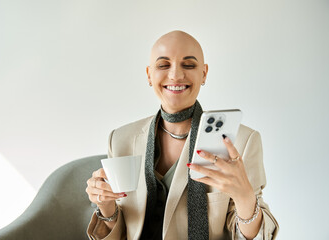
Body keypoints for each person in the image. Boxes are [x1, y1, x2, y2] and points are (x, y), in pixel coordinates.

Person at [85, 30, 279, 240]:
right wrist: (106, 207)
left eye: (188, 65)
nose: (176, 75)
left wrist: (245, 198)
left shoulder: (241, 142)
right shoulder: (120, 139)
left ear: (204, 73)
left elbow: (258, 237)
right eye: (163, 65)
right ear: (149, 75)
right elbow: (122, 233)